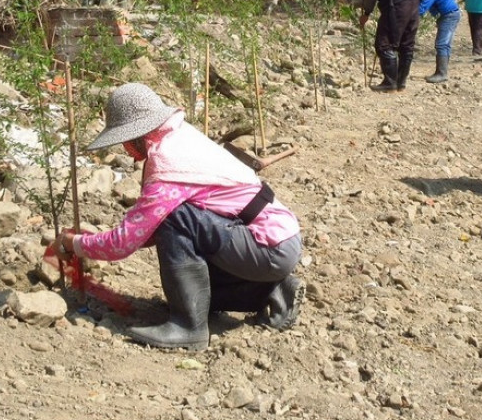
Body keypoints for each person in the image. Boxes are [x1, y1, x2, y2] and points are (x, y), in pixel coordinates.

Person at [56, 83, 304, 350]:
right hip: (276, 239)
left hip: (267, 246)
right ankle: (272, 292)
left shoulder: (167, 164)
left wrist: (74, 244)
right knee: (188, 264)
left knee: (176, 219)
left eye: (126, 141)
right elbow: (146, 233)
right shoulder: (180, 137)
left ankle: (189, 327)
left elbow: (123, 244)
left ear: (140, 134)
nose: (127, 151)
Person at [413, 0, 461, 84]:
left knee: (442, 44)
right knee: (444, 44)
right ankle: (441, 72)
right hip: (446, 15)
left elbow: (422, 8)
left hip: (449, 16)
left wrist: (408, 15)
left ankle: (442, 73)